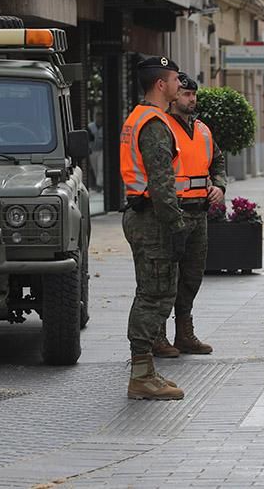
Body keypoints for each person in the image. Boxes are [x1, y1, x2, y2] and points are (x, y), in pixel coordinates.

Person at [119, 55, 186, 400]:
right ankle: (141, 376)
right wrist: (176, 225)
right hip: (152, 218)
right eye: (175, 80)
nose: (179, 85)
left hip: (142, 213)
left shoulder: (138, 117)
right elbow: (161, 183)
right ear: (161, 84)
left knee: (152, 290)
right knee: (155, 295)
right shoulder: (154, 124)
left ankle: (146, 372)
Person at [151, 73, 227, 359]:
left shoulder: (203, 130)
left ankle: (184, 333)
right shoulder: (162, 127)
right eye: (185, 94)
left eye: (193, 94)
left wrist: (219, 186)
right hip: (173, 212)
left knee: (192, 276)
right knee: (165, 277)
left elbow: (217, 160)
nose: (191, 99)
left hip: (199, 213)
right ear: (173, 96)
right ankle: (157, 336)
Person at [87, 111, 104, 191]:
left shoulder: (104, 126)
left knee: (100, 167)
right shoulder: (90, 126)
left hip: (101, 150)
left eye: (101, 117)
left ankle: (99, 185)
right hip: (93, 150)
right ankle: (98, 183)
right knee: (95, 168)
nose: (99, 119)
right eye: (98, 116)